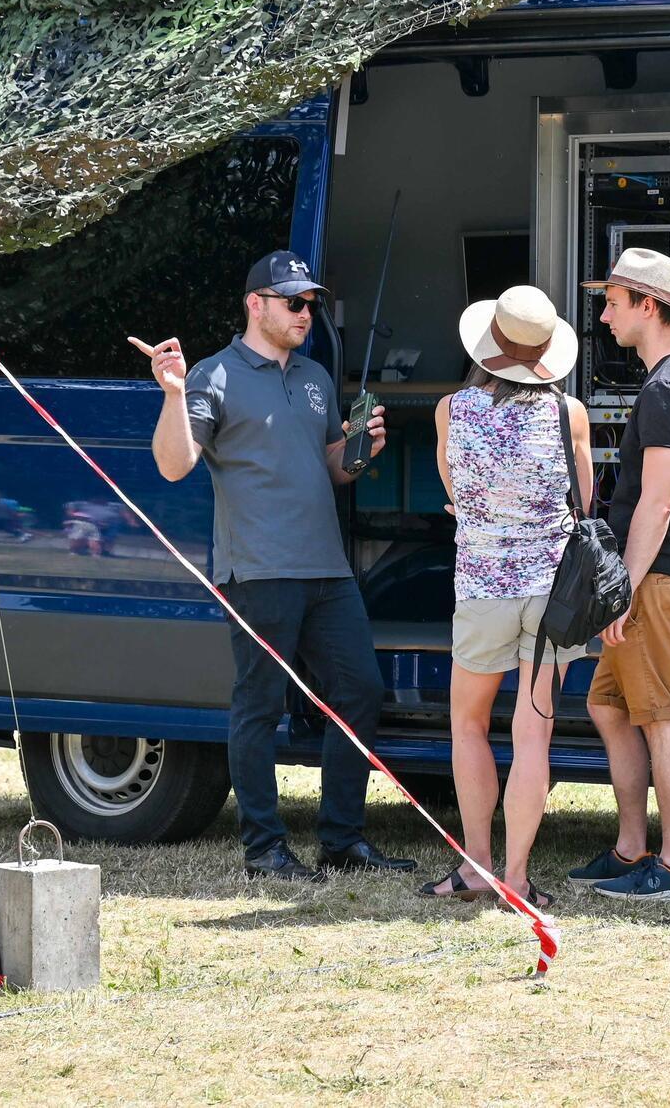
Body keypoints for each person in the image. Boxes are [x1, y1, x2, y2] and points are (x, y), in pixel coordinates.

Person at [139, 250, 416, 882]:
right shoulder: (214, 376)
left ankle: (342, 842)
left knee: (359, 692)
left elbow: (329, 469)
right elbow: (173, 464)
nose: (305, 313)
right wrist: (175, 394)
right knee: (260, 708)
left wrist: (363, 452)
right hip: (258, 572)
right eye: (293, 303)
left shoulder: (317, 377)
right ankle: (264, 848)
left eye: (310, 303)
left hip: (328, 570)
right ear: (255, 305)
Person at [417, 286, 591, 911]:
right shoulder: (569, 414)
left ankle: (475, 866)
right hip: (553, 596)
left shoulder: (451, 411)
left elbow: (456, 492)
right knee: (533, 736)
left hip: (483, 587)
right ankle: (516, 879)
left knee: (468, 723)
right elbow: (584, 504)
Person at [570, 247, 670, 902]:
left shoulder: (668, 389)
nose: (602, 315)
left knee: (662, 718)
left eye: (612, 301)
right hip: (662, 578)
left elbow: (660, 502)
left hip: (657, 582)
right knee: (606, 706)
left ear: (648, 306)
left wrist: (620, 592)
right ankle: (633, 848)